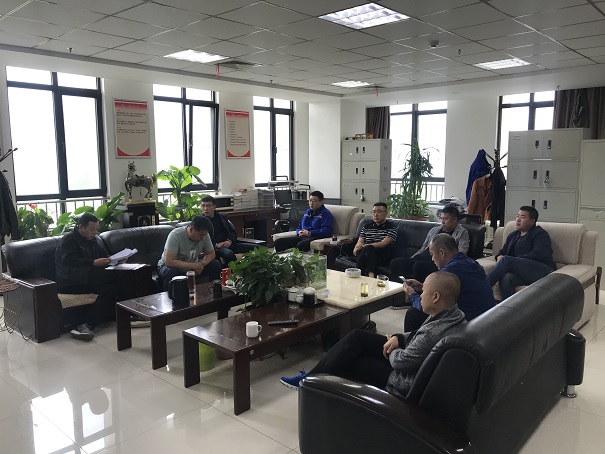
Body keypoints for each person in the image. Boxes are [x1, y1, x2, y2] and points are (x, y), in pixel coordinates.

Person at [279, 271, 466, 397]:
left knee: (351, 360)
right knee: (357, 337)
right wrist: (398, 338)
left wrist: (393, 349)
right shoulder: (453, 314)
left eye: (423, 291)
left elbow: (401, 362)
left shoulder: (434, 332)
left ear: (435, 297)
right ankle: (311, 379)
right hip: (409, 360)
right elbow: (417, 334)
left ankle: (310, 384)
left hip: (401, 378)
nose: (420, 294)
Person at [403, 233, 495, 332]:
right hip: (489, 320)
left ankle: (413, 341)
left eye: (432, 254)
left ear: (442, 253)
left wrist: (411, 294)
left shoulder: (448, 273)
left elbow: (426, 306)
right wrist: (422, 286)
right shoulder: (471, 263)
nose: (432, 259)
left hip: (470, 326)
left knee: (413, 314)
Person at [55, 213, 120, 341]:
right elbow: (69, 261)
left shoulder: (93, 240)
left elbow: (103, 257)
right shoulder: (69, 240)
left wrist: (114, 260)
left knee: (111, 289)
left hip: (88, 278)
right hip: (70, 280)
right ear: (81, 227)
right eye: (92, 229)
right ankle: (134, 312)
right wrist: (93, 262)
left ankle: (86, 325)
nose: (94, 233)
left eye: (96, 230)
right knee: (116, 276)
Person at [487, 206, 555, 301]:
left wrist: (514, 261)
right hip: (523, 271)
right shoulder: (513, 235)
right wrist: (499, 257)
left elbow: (540, 254)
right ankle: (509, 307)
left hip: (542, 270)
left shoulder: (539, 233)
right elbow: (502, 252)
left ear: (532, 221)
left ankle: (482, 287)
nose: (518, 220)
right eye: (517, 216)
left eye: (523, 217)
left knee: (506, 260)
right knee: (506, 278)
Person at [390, 205, 470, 283]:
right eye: (441, 218)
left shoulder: (462, 233)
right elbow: (424, 247)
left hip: (438, 261)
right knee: (396, 263)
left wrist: (447, 265)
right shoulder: (434, 230)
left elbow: (461, 253)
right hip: (422, 257)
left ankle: (420, 289)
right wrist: (413, 257)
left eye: (445, 219)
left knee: (418, 266)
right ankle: (402, 288)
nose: (442, 222)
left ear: (454, 219)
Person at [157, 215, 222, 291]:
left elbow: (211, 254)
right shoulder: (176, 235)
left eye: (205, 235)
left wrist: (201, 264)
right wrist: (193, 266)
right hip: (170, 267)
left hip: (193, 265)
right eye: (201, 235)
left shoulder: (204, 235)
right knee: (171, 272)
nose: (203, 238)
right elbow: (169, 262)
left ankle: (214, 293)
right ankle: (170, 297)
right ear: (191, 230)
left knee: (215, 264)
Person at [201, 195, 256, 265]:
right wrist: (216, 245)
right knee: (229, 254)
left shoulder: (221, 218)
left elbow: (233, 232)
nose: (205, 209)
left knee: (257, 248)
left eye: (208, 206)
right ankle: (236, 271)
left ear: (214, 207)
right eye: (203, 206)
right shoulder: (201, 222)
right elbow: (201, 239)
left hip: (230, 244)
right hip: (216, 248)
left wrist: (229, 241)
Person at [353, 202, 398, 278]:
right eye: (374, 212)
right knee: (363, 252)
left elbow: (383, 244)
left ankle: (365, 276)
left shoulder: (392, 228)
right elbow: (360, 241)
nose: (375, 214)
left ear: (386, 213)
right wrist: (357, 247)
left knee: (368, 248)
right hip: (365, 253)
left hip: (382, 255)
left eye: (379, 212)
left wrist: (365, 246)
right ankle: (367, 276)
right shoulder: (366, 226)